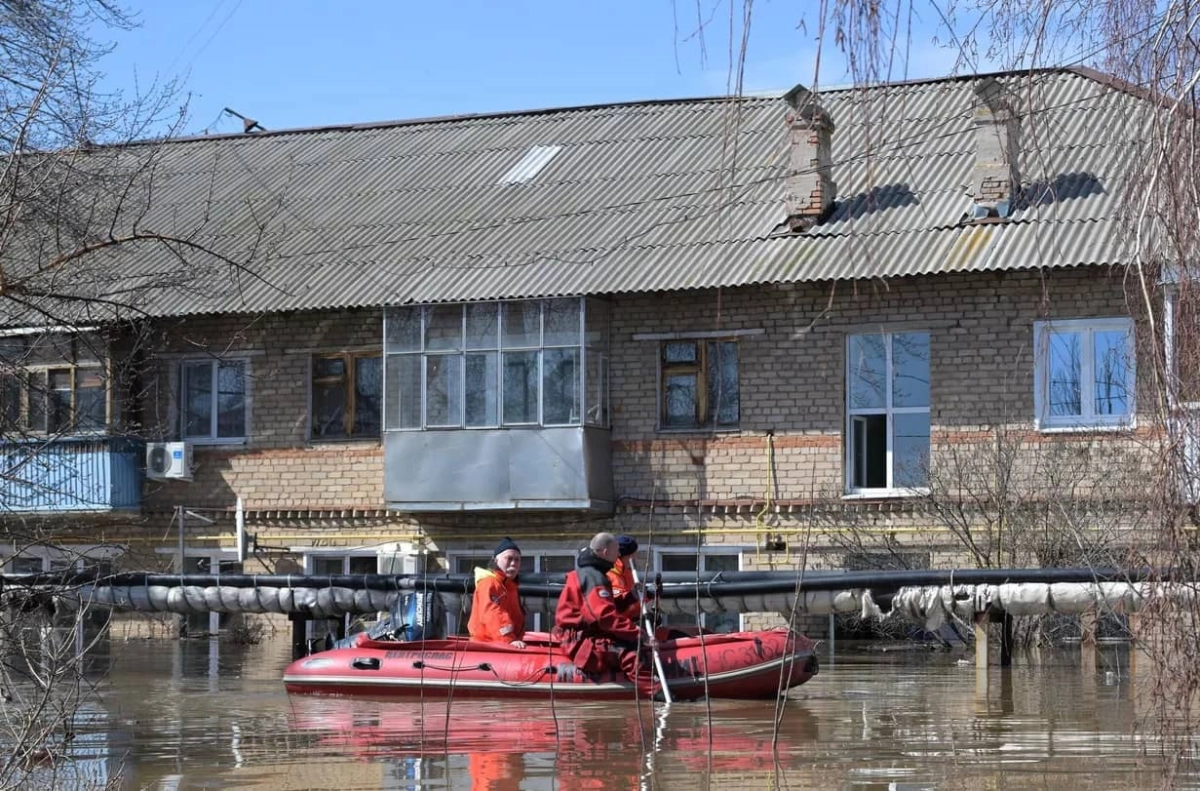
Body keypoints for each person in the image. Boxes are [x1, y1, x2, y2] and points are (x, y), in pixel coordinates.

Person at [553, 532, 652, 681]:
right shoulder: (593, 577)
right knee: (628, 653)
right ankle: (655, 692)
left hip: (589, 632)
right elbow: (605, 617)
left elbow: (603, 608)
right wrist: (640, 634)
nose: (618, 554)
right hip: (580, 640)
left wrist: (630, 597)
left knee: (630, 643)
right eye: (616, 550)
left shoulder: (592, 574)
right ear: (606, 552)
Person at [468, 536, 527, 649]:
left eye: (517, 559)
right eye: (509, 558)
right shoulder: (489, 583)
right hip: (487, 647)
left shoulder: (511, 587)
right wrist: (509, 639)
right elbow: (493, 614)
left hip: (504, 645)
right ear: (496, 560)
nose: (513, 563)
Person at [606, 534, 641, 620]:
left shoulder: (628, 572)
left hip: (632, 620)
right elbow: (620, 604)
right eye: (632, 555)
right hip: (618, 624)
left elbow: (636, 597)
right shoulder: (609, 574)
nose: (635, 557)